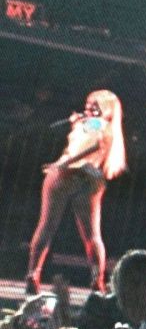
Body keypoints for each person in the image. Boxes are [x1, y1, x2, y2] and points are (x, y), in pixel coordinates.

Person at [26, 90, 127, 294]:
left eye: (95, 105)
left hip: (68, 173)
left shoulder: (98, 124)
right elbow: (89, 143)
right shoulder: (104, 127)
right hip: (88, 178)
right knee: (92, 235)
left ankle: (33, 273)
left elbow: (90, 146)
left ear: (106, 108)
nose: (89, 108)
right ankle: (97, 279)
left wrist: (64, 164)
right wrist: (77, 125)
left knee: (46, 227)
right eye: (88, 104)